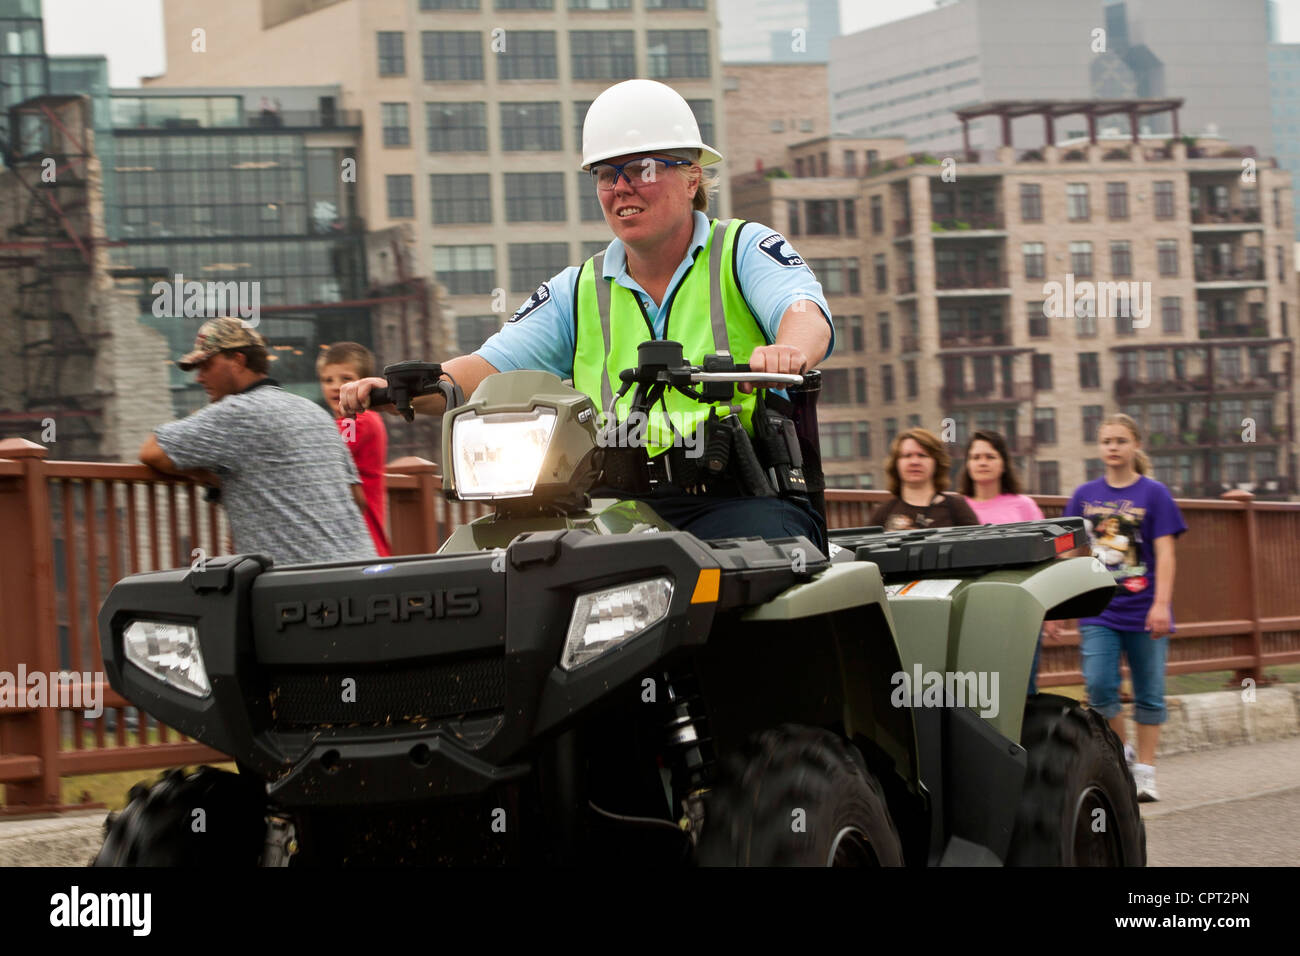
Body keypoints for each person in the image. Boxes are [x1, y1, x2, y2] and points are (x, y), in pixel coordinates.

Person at [340, 79, 834, 549]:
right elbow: (485, 370)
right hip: (615, 508)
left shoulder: (744, 249)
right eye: (605, 174)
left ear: (691, 178)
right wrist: (401, 390)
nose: (621, 187)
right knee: (518, 575)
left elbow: (802, 310)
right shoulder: (575, 290)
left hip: (740, 500)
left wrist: (788, 351)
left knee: (758, 581)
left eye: (641, 169)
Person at [139, 317, 376, 566]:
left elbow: (152, 451)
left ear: (238, 361)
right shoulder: (313, 411)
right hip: (360, 567)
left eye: (206, 365)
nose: (199, 377)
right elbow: (357, 498)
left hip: (299, 584)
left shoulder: (238, 411)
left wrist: (208, 477)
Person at [1063, 413, 1186, 802]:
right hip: (1100, 609)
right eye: (1106, 442)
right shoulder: (1084, 496)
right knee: (1099, 686)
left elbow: (1165, 554)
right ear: (1099, 448)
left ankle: (1145, 772)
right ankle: (1124, 752)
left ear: (1135, 445)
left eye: (1120, 441)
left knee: (1149, 691)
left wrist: (1162, 604)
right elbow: (1071, 552)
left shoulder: (1154, 494)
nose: (1113, 448)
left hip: (1145, 608)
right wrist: (1063, 599)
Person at [959, 429, 1052, 694]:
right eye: (975, 457)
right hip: (971, 615)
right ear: (967, 464)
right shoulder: (957, 506)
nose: (983, 462)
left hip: (1021, 610)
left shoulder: (1024, 506)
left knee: (1023, 690)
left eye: (990, 456)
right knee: (978, 691)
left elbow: (1046, 558)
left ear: (1003, 463)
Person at [319, 341, 391, 556]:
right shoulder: (349, 422)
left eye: (346, 379)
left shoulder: (359, 420)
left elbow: (324, 450)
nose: (335, 386)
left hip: (361, 543)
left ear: (363, 384)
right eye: (327, 380)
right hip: (354, 543)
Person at [868, 428, 979, 530]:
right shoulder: (884, 512)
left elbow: (978, 547)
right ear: (896, 464)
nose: (914, 462)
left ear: (936, 462)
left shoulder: (956, 507)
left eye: (922, 455)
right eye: (907, 456)